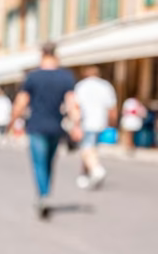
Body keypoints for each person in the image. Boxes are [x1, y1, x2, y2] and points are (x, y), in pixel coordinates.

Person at [12, 43, 81, 219]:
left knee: (39, 162)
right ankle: (46, 192)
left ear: (41, 55)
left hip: (36, 126)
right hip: (56, 127)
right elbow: (72, 103)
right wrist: (76, 125)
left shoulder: (33, 77)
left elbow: (21, 102)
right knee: (50, 161)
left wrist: (12, 121)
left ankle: (43, 195)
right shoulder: (65, 77)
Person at [74, 67, 117, 189]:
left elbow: (76, 106)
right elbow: (111, 107)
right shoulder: (106, 86)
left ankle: (96, 169)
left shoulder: (81, 86)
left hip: (86, 122)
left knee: (87, 149)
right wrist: (113, 122)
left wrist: (75, 124)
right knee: (91, 149)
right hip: (101, 122)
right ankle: (85, 174)